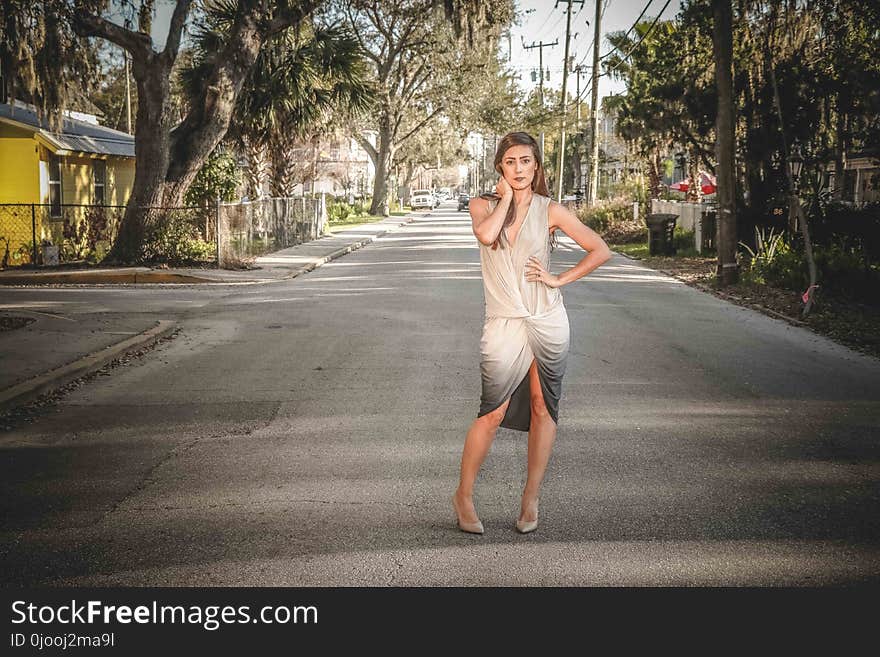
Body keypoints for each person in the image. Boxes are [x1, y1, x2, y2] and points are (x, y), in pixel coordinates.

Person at [452, 131, 613, 535]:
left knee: (544, 407)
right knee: (493, 411)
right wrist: (505, 198)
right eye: (510, 162)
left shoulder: (551, 210)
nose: (519, 169)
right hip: (504, 322)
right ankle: (464, 496)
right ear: (500, 168)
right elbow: (488, 236)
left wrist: (559, 279)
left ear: (536, 166)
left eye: (526, 161)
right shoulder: (482, 206)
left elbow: (600, 249)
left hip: (547, 319)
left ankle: (531, 497)